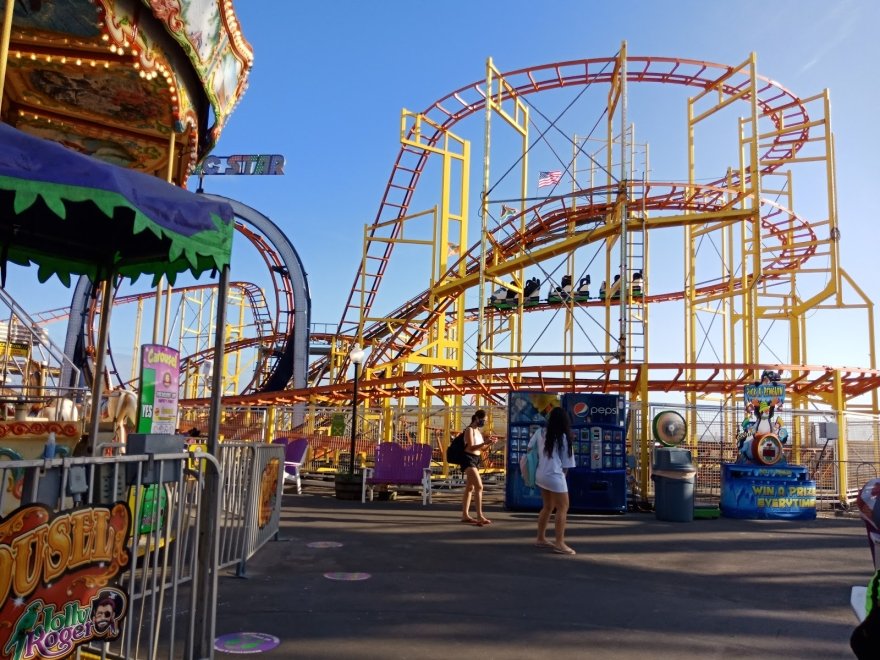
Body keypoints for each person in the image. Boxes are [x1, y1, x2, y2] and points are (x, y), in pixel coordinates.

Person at [530, 406, 577, 554]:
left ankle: (540, 538)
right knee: (563, 508)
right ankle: (559, 543)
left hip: (541, 474)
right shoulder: (563, 437)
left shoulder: (540, 432)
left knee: (548, 506)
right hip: (555, 475)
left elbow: (530, 448)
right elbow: (567, 464)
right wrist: (561, 479)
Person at [459, 409, 493, 526]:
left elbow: (481, 449)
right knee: (479, 486)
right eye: (483, 420)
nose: (484, 422)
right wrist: (484, 443)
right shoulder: (469, 430)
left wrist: (489, 444)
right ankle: (479, 516)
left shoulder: (478, 431)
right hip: (468, 459)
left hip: (476, 460)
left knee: (470, 488)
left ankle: (465, 515)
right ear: (477, 418)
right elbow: (471, 447)